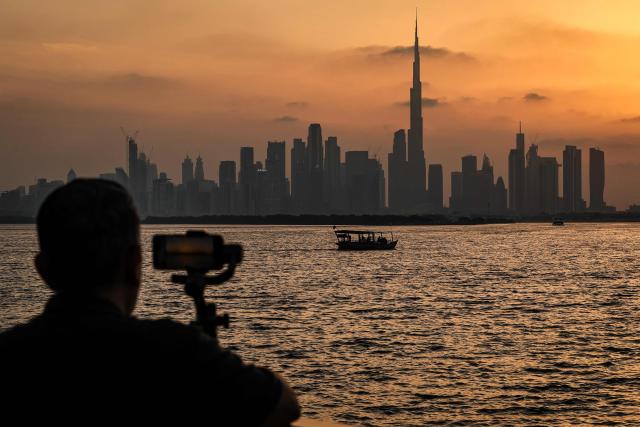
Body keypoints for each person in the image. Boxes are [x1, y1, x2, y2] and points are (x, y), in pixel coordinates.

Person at [0, 179, 300, 426]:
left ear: (42, 270)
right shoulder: (175, 349)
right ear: (134, 263)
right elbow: (284, 406)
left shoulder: (9, 355)